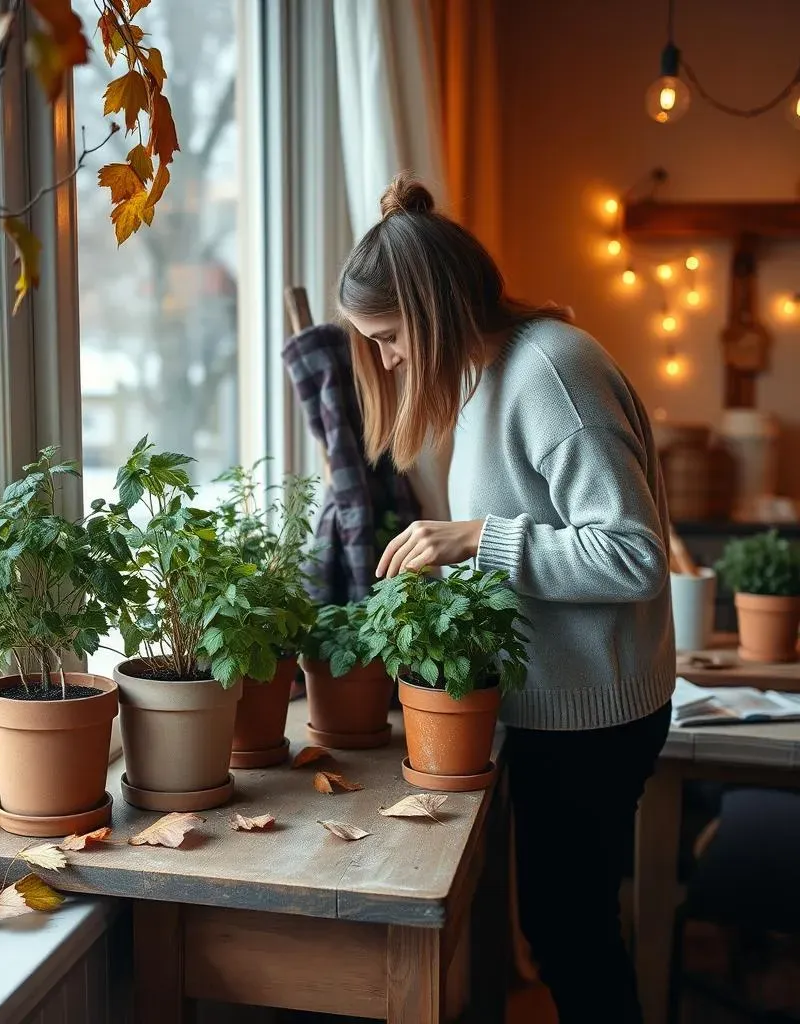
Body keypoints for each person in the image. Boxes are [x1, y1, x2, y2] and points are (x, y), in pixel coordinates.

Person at [338, 173, 675, 1024]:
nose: (386, 360)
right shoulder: (494, 374)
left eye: (387, 338)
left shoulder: (552, 373)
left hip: (592, 718)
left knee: (573, 941)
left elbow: (633, 555)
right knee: (561, 933)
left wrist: (472, 537)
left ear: (430, 310)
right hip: (555, 706)